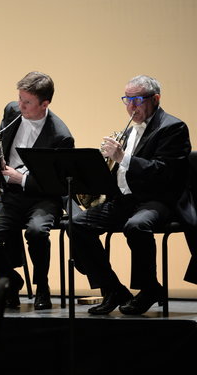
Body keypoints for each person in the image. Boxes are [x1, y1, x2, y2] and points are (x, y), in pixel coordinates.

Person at [70, 75, 192, 315]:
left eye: (137, 99)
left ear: (155, 99)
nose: (131, 106)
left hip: (158, 200)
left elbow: (163, 172)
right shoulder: (128, 130)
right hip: (125, 200)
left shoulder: (172, 128)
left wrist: (122, 157)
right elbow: (119, 172)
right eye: (127, 99)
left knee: (136, 226)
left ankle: (149, 288)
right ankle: (113, 289)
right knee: (78, 225)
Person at [0, 71, 75, 310]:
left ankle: (42, 287)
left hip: (43, 197)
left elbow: (58, 184)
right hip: (11, 197)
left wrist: (21, 179)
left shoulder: (60, 136)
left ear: (45, 103)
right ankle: (11, 280)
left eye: (27, 102)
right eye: (19, 98)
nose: (20, 105)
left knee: (36, 232)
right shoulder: (12, 111)